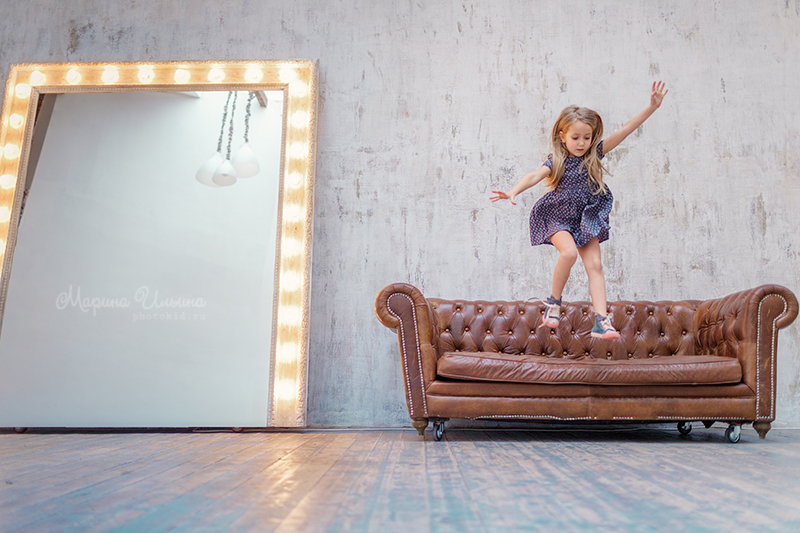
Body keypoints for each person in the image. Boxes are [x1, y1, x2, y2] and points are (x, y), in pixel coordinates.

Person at [490, 82, 668, 340]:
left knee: (595, 264)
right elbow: (534, 175)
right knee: (569, 253)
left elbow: (625, 130)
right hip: (558, 215)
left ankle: (601, 321)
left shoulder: (595, 154)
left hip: (585, 216)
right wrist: (513, 191)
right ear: (563, 136)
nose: (582, 143)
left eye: (587, 137)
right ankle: (553, 304)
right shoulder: (557, 161)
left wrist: (651, 107)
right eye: (575, 138)